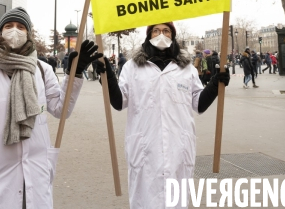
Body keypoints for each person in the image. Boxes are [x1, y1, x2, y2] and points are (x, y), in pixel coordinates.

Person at [0, 7, 102, 208]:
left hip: (35, 174)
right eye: (9, 26)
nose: (15, 31)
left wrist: (75, 73)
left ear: (28, 34)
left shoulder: (42, 69)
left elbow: (61, 109)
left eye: (21, 27)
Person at [95, 22, 230, 208]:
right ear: (149, 35)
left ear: (173, 35)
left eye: (166, 31)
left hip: (179, 147)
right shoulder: (132, 67)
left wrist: (216, 84)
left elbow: (199, 104)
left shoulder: (186, 68)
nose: (161, 34)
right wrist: (108, 77)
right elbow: (119, 102)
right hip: (144, 148)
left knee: (177, 199)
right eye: (156, 31)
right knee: (146, 200)